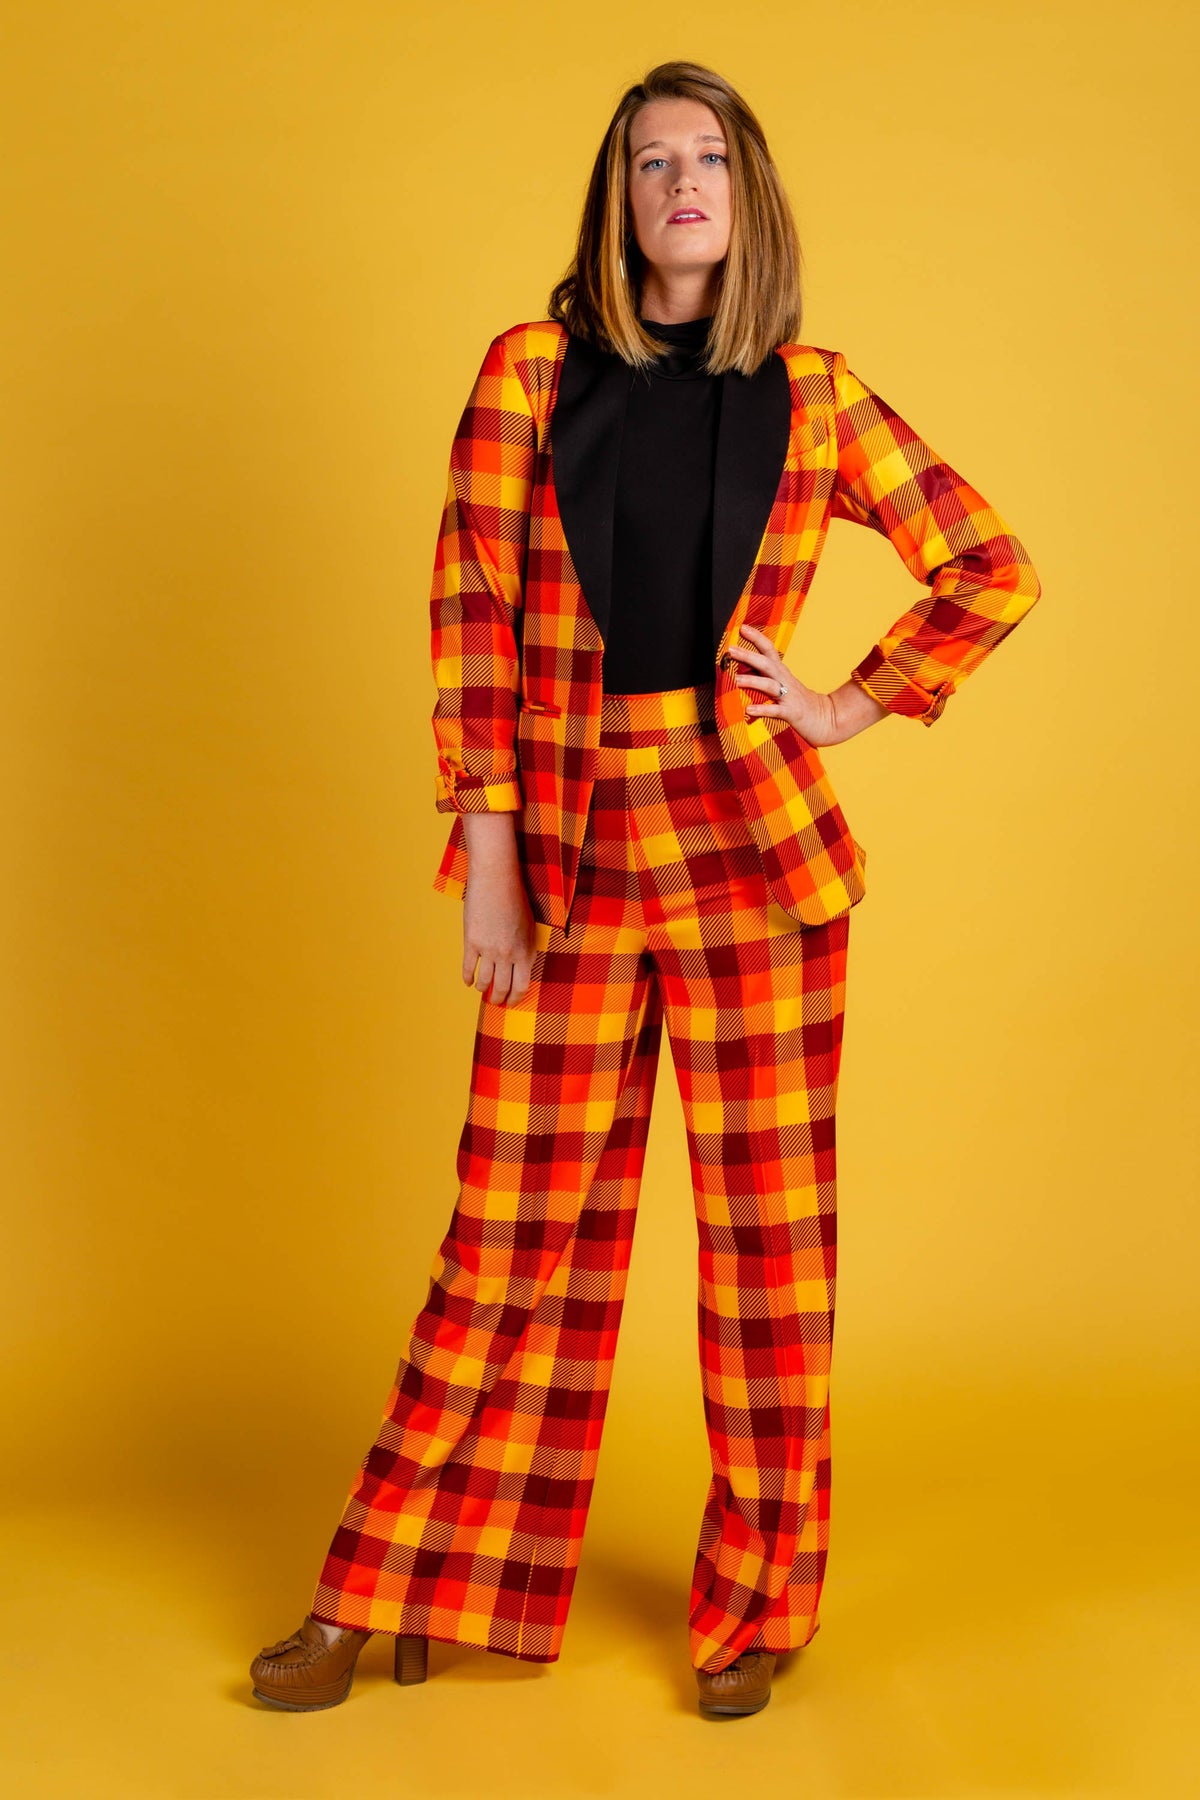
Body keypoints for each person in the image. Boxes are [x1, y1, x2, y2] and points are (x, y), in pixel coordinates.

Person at [249, 58, 1041, 1720]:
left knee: (769, 1254)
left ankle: (759, 1605)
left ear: (749, 198)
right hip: (571, 841)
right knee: (506, 1232)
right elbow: (471, 612)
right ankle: (387, 1584)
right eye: (651, 162)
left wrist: (847, 703)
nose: (681, 184)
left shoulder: (816, 395)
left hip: (754, 850)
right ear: (616, 202)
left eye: (708, 159)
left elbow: (991, 562)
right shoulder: (529, 374)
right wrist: (490, 857)